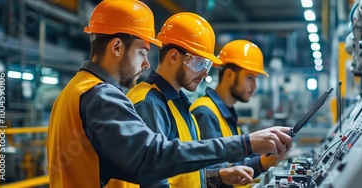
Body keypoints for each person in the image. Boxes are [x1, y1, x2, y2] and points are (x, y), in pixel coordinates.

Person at [46, 1, 292, 188]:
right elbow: (152, 159)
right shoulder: (102, 96)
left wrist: (216, 175)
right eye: (142, 52)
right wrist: (246, 144)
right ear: (117, 47)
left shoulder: (77, 89)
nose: (145, 64)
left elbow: (139, 166)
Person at [109, 12, 255, 188]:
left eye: (207, 65)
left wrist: (217, 175)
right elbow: (153, 180)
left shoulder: (179, 105)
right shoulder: (149, 103)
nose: (205, 73)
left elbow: (181, 172)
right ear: (173, 57)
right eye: (199, 63)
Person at [191, 40, 282, 186]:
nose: (254, 86)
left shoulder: (225, 113)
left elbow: (232, 163)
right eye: (250, 78)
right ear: (228, 75)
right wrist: (261, 163)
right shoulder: (206, 113)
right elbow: (213, 176)